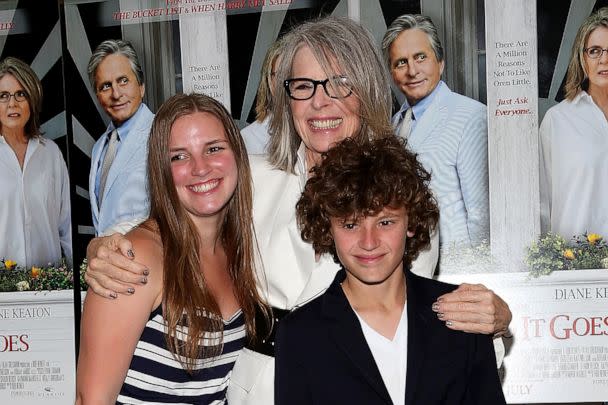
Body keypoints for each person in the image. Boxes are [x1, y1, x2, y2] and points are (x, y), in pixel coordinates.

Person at [83, 17, 511, 405]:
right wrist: (107, 246)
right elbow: (179, 212)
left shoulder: (402, 192)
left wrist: (496, 322)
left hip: (361, 387)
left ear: (367, 89)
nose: (321, 103)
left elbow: (419, 318)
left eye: (339, 82)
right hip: (260, 387)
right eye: (304, 86)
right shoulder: (253, 179)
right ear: (286, 100)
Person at [275, 136, 506, 405]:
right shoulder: (301, 334)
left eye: (385, 222)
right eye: (350, 225)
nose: (369, 242)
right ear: (328, 229)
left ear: (411, 222)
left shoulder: (461, 313)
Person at [76, 93, 269, 404]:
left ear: (238, 154)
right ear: (160, 170)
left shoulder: (241, 246)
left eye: (214, 149)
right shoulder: (133, 259)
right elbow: (92, 399)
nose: (200, 168)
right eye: (179, 156)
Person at [382, 14, 489, 247]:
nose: (412, 71)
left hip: (452, 268)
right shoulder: (392, 126)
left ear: (440, 62)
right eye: (401, 62)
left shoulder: (471, 116)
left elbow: (482, 217)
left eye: (420, 57)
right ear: (392, 73)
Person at [540, 7, 608, 239]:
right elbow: (542, 203)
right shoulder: (558, 121)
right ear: (582, 57)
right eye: (595, 51)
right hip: (576, 264)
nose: (604, 60)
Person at [0, 56, 71, 268]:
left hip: (49, 286)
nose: (12, 103)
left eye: (20, 94)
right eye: (3, 96)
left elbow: (65, 225)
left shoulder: (50, 153)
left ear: (32, 99)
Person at [87, 39, 154, 236]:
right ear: (98, 96)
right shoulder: (100, 147)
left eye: (123, 81)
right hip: (107, 262)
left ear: (141, 86)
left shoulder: (162, 134)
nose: (116, 94)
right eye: (106, 86)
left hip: (147, 260)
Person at [241, 38, 283, 154]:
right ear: (269, 81)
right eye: (280, 75)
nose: (287, 82)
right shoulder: (248, 140)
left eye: (294, 73)